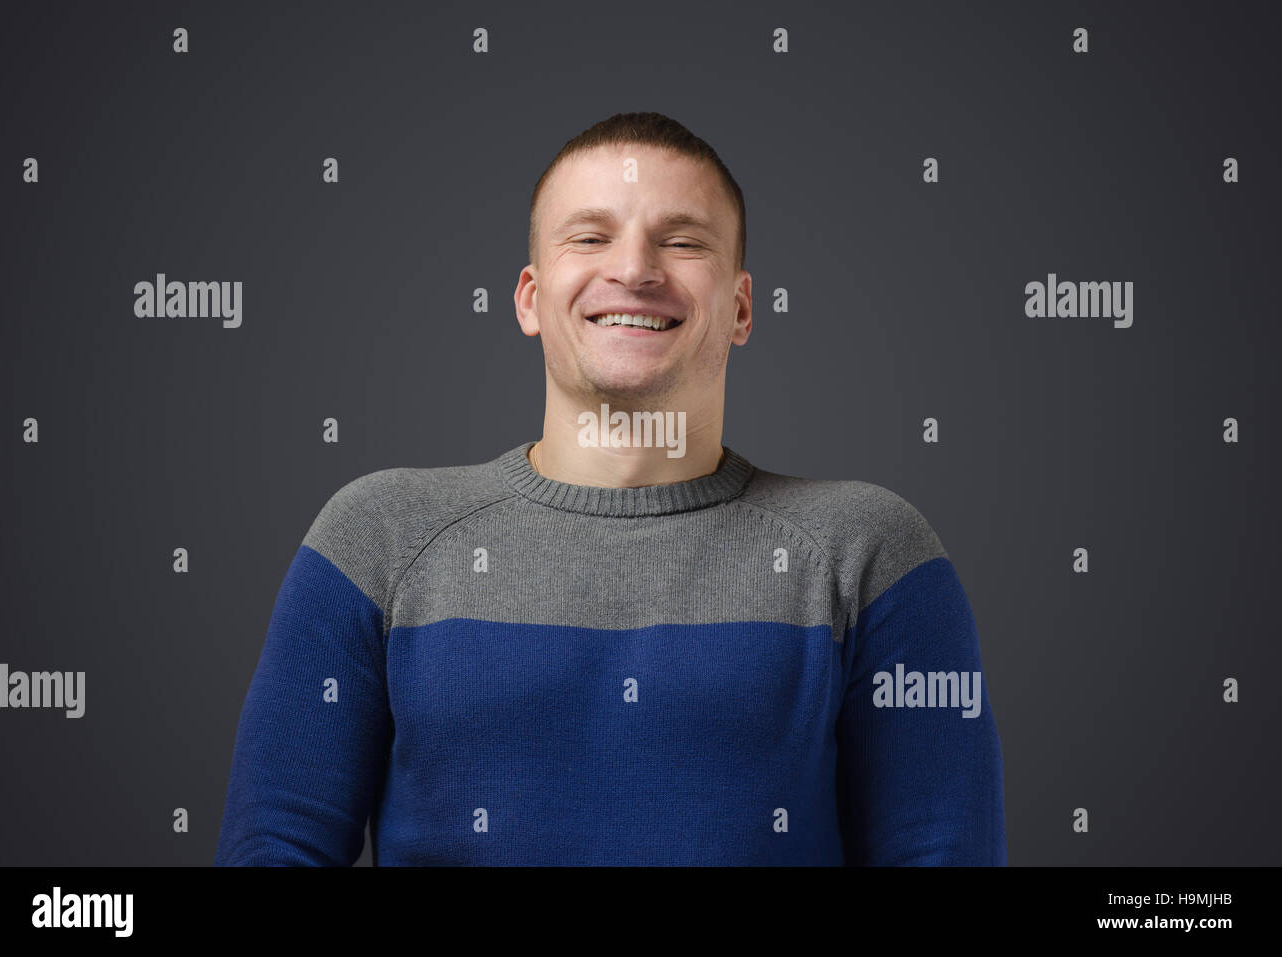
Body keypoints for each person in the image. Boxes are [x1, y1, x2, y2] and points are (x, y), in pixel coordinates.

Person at [214, 111, 1007, 866]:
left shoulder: (871, 551)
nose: (633, 269)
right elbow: (273, 850)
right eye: (591, 236)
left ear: (739, 308)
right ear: (530, 298)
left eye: (683, 240)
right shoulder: (376, 535)